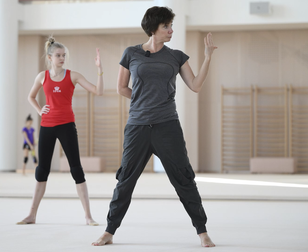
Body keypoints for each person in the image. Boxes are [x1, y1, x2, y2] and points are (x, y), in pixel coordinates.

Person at [92, 6, 217, 247]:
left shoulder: (176, 56)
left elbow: (196, 85)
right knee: (125, 179)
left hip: (167, 126)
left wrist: (208, 57)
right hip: (137, 127)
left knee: (183, 178)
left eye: (171, 25)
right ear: (153, 29)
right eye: (166, 26)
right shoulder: (131, 54)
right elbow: (121, 88)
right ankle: (109, 231)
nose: (171, 30)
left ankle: (202, 231)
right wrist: (143, 101)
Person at [17, 36, 104, 226]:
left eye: (64, 55)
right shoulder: (42, 76)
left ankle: (88, 216)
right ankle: (31, 215)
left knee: (77, 170)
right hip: (47, 126)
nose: (62, 58)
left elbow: (98, 91)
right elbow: (31, 97)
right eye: (58, 55)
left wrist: (99, 70)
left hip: (66, 126)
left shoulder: (73, 76)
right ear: (50, 57)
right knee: (42, 171)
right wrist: (40, 110)